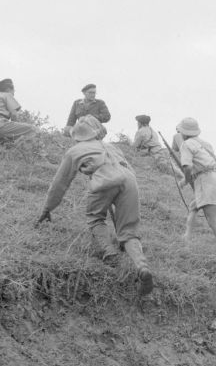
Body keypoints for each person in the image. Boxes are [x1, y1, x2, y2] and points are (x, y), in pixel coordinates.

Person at [36, 115, 154, 296]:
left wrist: (47, 208)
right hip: (130, 180)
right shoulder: (111, 147)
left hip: (104, 180)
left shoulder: (75, 151)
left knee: (95, 218)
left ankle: (110, 254)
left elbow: (60, 183)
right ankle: (142, 266)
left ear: (77, 135)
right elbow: (124, 174)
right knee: (129, 230)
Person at [177, 117, 216, 248]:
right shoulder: (205, 144)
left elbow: (187, 167)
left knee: (213, 221)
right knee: (193, 206)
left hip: (206, 181)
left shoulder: (186, 144)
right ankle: (186, 238)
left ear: (183, 132)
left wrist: (186, 180)